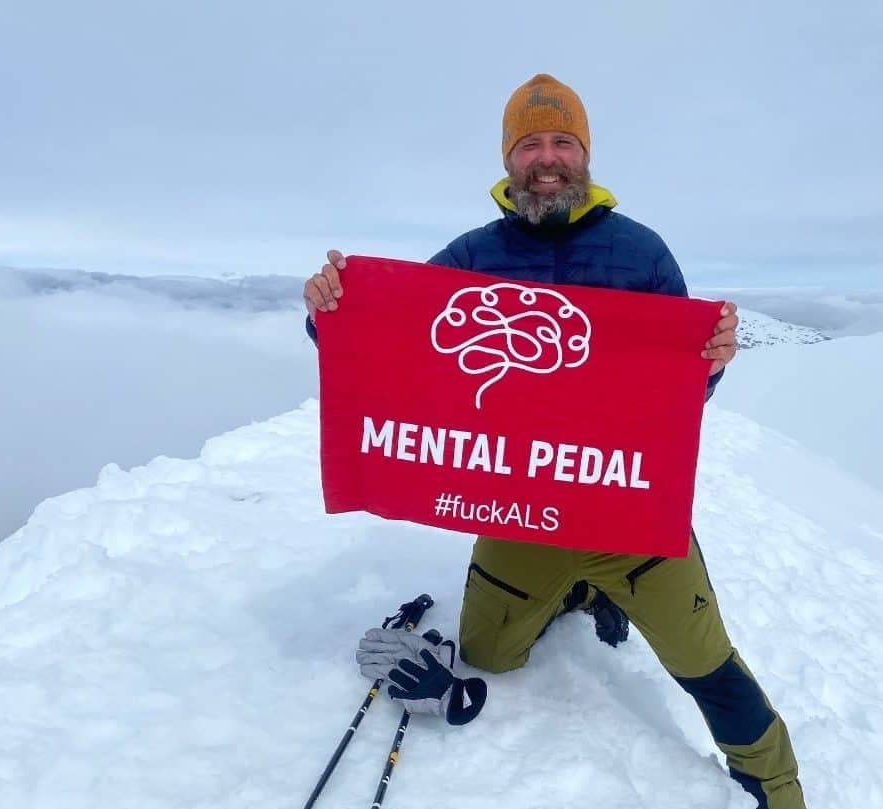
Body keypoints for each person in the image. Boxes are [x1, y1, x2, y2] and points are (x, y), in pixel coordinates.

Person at [305, 73, 806, 809]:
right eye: (530, 142)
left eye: (562, 141)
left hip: (625, 512)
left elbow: (679, 394)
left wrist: (711, 360)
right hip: (519, 507)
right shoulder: (473, 252)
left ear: (584, 155)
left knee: (704, 661)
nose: (547, 157)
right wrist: (330, 311)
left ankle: (776, 784)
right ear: (510, 160)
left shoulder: (640, 252)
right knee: (485, 654)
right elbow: (391, 342)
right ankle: (571, 592)